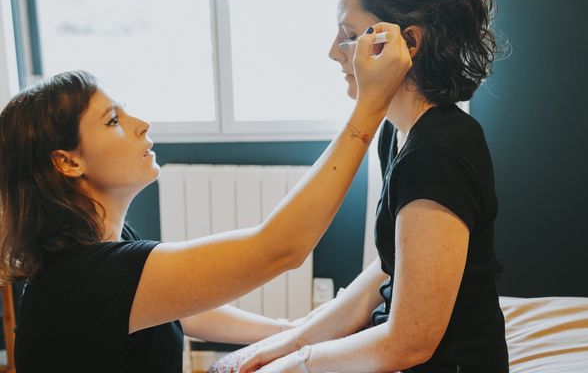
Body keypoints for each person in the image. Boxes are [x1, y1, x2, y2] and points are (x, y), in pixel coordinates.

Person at [0, 23, 411, 372]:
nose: (142, 124)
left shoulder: (100, 242)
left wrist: (288, 330)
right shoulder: (88, 277)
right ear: (67, 162)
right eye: (113, 121)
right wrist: (369, 105)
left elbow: (182, 303)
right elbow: (279, 248)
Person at [226, 0, 509, 372]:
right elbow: (391, 268)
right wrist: (290, 341)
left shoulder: (438, 152)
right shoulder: (399, 134)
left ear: (408, 41)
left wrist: (297, 364)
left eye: (349, 35)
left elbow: (408, 343)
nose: (334, 51)